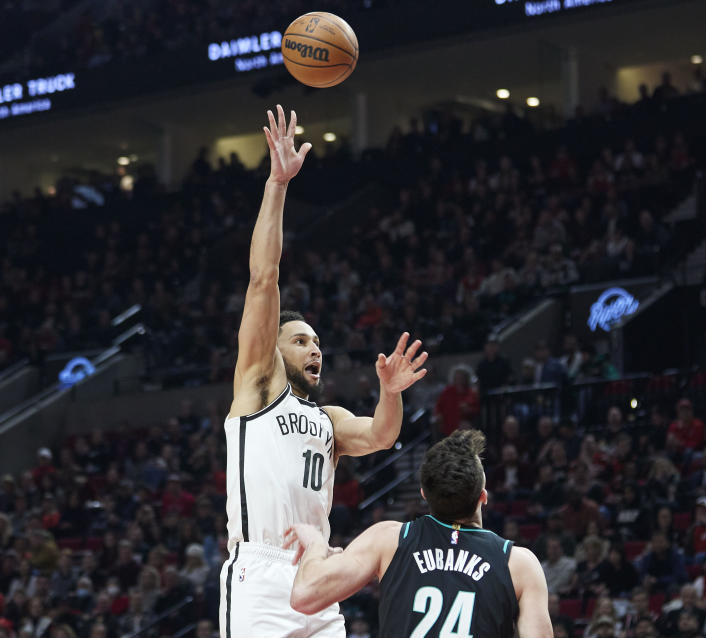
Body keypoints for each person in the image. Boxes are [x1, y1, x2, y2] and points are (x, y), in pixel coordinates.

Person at [221, 106, 430, 638]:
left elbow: (383, 435)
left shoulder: (329, 419)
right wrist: (277, 184)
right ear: (275, 350)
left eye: (318, 343)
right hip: (259, 573)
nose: (315, 350)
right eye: (301, 340)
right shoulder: (256, 386)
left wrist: (390, 392)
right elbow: (263, 279)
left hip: (317, 572)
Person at [283, 430, 552, 637]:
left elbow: (305, 595)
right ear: (483, 496)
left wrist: (317, 544)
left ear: (424, 495)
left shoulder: (389, 539)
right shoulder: (519, 564)